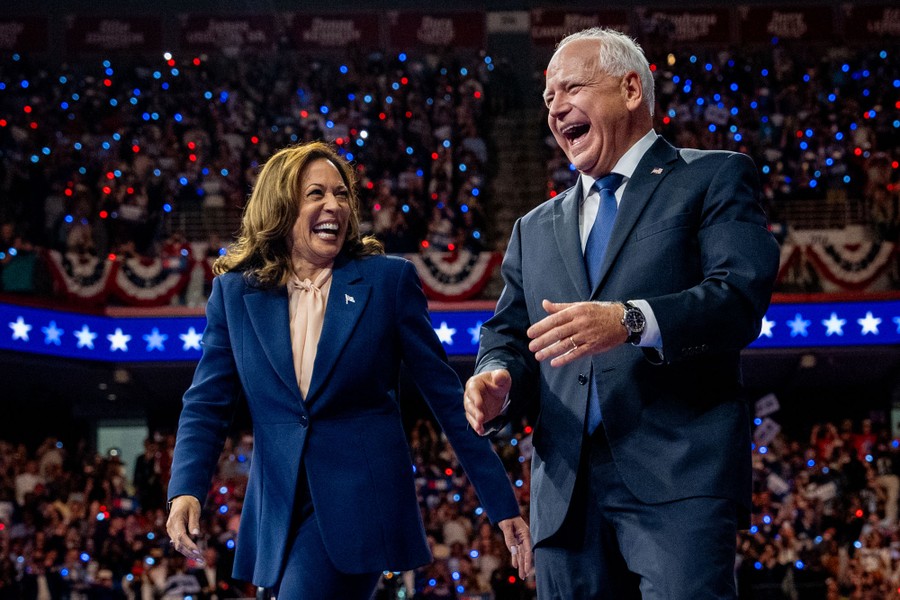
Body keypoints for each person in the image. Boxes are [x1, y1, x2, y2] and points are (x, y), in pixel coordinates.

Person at [464, 28, 780, 599]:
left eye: (572, 88)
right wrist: (496, 378)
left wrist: (630, 320)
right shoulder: (533, 228)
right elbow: (507, 334)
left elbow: (739, 298)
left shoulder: (711, 178)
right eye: (547, 98)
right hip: (564, 495)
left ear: (631, 89)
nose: (555, 107)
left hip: (678, 481)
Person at [166, 141, 532, 598]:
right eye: (315, 193)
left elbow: (445, 397)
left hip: (359, 506)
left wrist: (501, 504)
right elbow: (206, 402)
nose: (333, 205)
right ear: (280, 205)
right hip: (277, 513)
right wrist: (186, 489)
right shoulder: (235, 294)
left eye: (341, 194)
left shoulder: (387, 282)